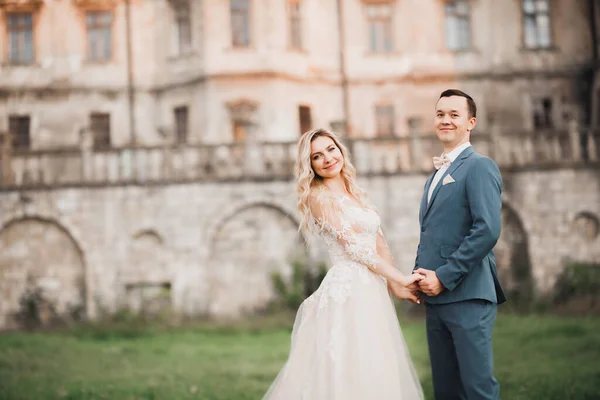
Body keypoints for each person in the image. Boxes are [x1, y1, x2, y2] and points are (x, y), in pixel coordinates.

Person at [263, 128, 424, 399]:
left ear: (340, 150)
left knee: (376, 362)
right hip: (348, 291)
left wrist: (394, 287)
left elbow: (379, 244)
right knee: (347, 365)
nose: (327, 158)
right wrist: (401, 278)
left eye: (330, 149)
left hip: (372, 290)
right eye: (317, 156)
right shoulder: (318, 197)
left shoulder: (356, 193)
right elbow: (356, 248)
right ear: (310, 165)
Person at [414, 89, 506, 400]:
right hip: (436, 301)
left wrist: (443, 276)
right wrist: (420, 277)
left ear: (471, 122)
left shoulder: (479, 166)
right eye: (440, 114)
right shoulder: (436, 175)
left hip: (467, 295)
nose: (446, 120)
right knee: (447, 392)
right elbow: (432, 233)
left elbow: (487, 230)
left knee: (477, 390)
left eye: (454, 114)